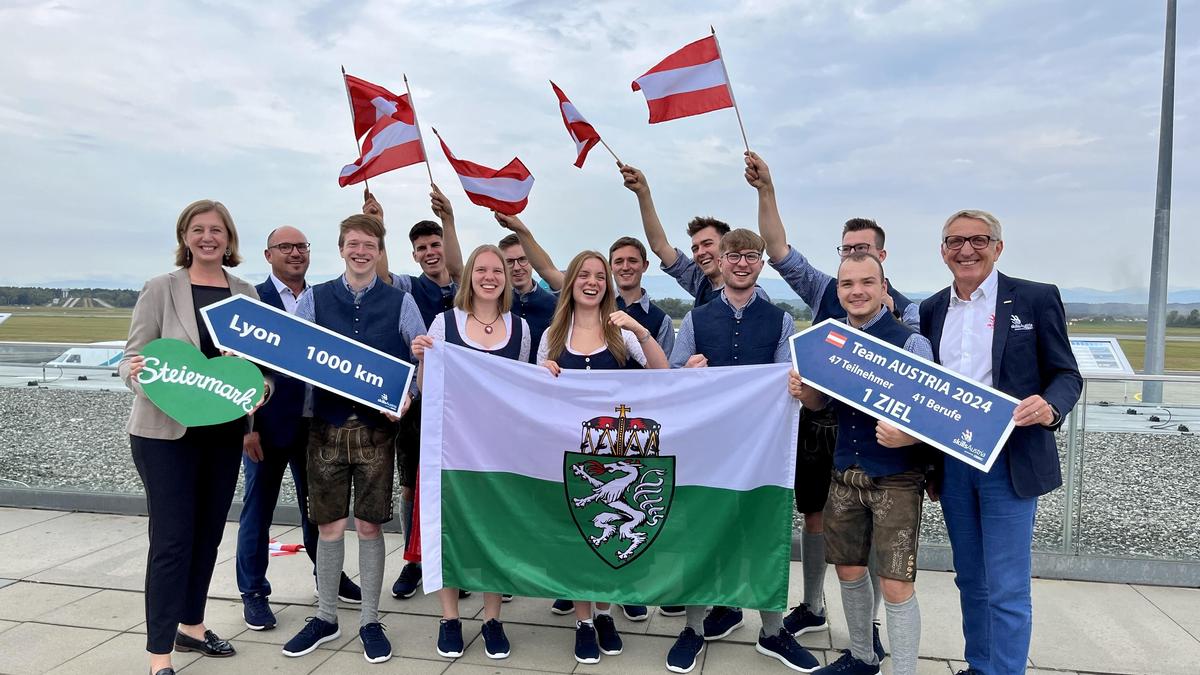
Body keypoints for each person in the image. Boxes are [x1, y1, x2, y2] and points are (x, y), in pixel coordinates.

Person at [745, 150, 917, 647]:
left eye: (861, 250)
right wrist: (766, 189)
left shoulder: (909, 318)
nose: (851, 261)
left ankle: (873, 631)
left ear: (881, 258)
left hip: (887, 451)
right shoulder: (827, 291)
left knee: (885, 554)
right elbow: (777, 248)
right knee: (820, 518)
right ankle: (817, 608)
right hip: (825, 429)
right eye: (844, 251)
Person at [919, 210, 1081, 675]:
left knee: (1007, 586)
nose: (966, 250)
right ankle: (979, 665)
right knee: (971, 579)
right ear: (943, 250)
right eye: (955, 241)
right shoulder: (931, 309)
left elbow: (1066, 374)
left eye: (978, 240)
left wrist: (1050, 407)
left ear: (998, 247)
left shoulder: (1034, 299)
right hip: (953, 463)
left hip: (1010, 462)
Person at [665, 228, 819, 674]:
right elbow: (672, 381)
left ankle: (773, 631)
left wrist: (793, 385)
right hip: (706, 450)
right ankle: (693, 628)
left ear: (760, 263)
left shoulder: (780, 321)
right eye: (734, 255)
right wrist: (687, 372)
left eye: (752, 256)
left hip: (759, 451)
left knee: (763, 536)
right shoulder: (697, 319)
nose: (742, 263)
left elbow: (781, 385)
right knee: (699, 538)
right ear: (721, 260)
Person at [119, 199, 263, 675]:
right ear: (185, 237)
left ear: (229, 238)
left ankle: (192, 627)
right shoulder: (161, 289)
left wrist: (262, 390)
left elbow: (262, 371)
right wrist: (140, 375)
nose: (208, 237)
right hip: (165, 435)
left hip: (222, 435)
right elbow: (131, 360)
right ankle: (159, 653)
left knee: (206, 536)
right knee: (172, 541)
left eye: (217, 230)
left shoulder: (246, 294)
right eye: (198, 229)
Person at [281, 214, 424, 665]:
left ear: (380, 252)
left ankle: (368, 619)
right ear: (341, 248)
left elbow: (419, 362)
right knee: (327, 525)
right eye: (353, 244)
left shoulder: (401, 302)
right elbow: (288, 349)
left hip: (377, 432)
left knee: (369, 525)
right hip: (324, 428)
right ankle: (325, 616)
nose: (361, 252)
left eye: (369, 245)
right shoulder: (316, 299)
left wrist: (406, 397)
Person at [789, 252, 937, 675]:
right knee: (850, 569)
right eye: (847, 284)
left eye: (866, 282)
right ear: (838, 291)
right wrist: (805, 392)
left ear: (883, 287)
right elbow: (822, 404)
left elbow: (934, 414)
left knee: (895, 582)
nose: (857, 291)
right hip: (843, 472)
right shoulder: (830, 340)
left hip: (897, 478)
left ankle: (904, 670)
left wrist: (908, 435)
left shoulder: (911, 342)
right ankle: (861, 657)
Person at [538, 250, 669, 664]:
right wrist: (544, 374)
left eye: (599, 275)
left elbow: (664, 377)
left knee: (611, 536)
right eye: (584, 275)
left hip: (620, 451)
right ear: (571, 282)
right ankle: (582, 620)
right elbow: (536, 396)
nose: (592, 282)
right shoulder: (553, 336)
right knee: (579, 537)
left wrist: (641, 331)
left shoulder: (621, 332)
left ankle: (605, 612)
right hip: (573, 455)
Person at [236, 226, 361, 633]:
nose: (295, 253)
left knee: (321, 511)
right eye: (285, 247)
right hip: (267, 428)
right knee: (258, 511)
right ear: (268, 254)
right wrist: (246, 426)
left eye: (302, 246)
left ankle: (327, 579)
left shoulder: (322, 298)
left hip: (317, 425)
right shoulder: (253, 300)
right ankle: (254, 592)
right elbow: (241, 369)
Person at [410, 244, 532, 660]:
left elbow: (522, 392)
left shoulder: (521, 328)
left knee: (493, 535)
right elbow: (427, 390)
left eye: (496, 270)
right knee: (451, 533)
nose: (489, 277)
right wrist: (423, 358)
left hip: (498, 451)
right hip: (452, 449)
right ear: (469, 277)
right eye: (481, 269)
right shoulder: (445, 323)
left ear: (506, 277)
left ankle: (493, 619)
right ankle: (449, 619)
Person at [362, 188, 464, 601]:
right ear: (415, 255)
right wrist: (377, 224)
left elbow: (459, 264)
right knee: (411, 485)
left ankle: (457, 558)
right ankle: (414, 559)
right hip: (420, 402)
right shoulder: (407, 289)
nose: (429, 252)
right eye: (421, 248)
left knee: (460, 482)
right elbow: (381, 276)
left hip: (462, 402)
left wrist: (450, 219)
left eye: (435, 244)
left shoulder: (466, 286)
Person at [620, 163, 765, 308]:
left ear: (727, 245)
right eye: (695, 248)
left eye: (707, 244)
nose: (701, 252)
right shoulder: (700, 280)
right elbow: (660, 246)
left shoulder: (752, 295)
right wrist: (643, 193)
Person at [496, 225, 557, 350]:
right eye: (510, 262)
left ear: (532, 261)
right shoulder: (495, 304)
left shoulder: (554, 304)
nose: (517, 267)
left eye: (523, 259)